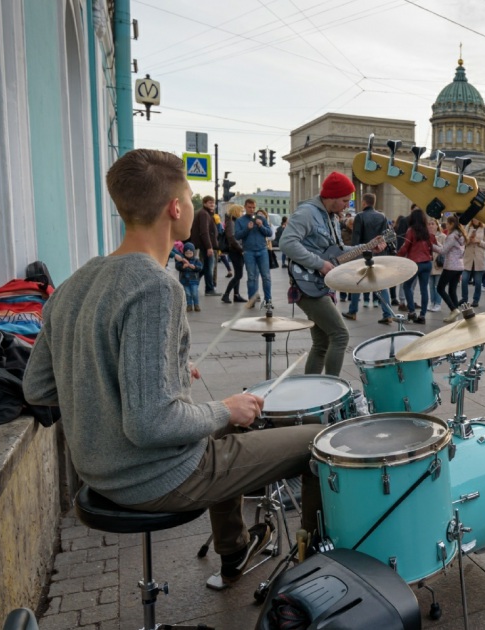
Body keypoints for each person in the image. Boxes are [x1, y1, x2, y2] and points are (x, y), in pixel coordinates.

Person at [22, 149, 325, 592]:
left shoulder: (76, 282)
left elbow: (38, 386)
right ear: (176, 208)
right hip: (151, 476)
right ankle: (316, 579)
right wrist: (224, 409)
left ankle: (233, 550)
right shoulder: (156, 287)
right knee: (316, 440)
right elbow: (150, 424)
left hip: (99, 469)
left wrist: (143, 367)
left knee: (233, 433)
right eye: (189, 192)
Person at [280, 172, 381, 375]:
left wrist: (367, 248)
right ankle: (331, 388)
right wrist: (320, 264)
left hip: (320, 284)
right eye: (344, 201)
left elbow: (339, 251)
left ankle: (313, 390)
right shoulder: (307, 213)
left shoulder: (332, 217)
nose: (347, 205)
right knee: (340, 335)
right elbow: (286, 242)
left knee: (322, 342)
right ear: (332, 196)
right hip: (307, 285)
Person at [345, 192, 394, 325]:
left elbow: (356, 238)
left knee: (358, 282)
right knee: (382, 284)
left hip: (364, 254)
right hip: (380, 254)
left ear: (364, 202)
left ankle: (353, 311)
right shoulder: (382, 216)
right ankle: (388, 313)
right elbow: (386, 236)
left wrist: (353, 254)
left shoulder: (360, 216)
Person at [397, 207, 437, 324]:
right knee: (424, 289)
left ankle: (412, 312)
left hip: (415, 263)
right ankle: (423, 315)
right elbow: (431, 245)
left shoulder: (411, 231)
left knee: (407, 286)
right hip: (427, 263)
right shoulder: (426, 231)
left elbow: (405, 247)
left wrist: (397, 256)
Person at [235, 198, 272, 308]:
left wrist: (261, 226)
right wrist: (247, 229)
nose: (252, 209)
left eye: (253, 207)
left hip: (262, 250)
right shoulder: (240, 220)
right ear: (245, 207)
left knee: (266, 276)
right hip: (249, 251)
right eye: (249, 207)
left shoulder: (261, 218)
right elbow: (237, 235)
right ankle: (251, 300)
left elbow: (269, 233)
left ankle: (268, 300)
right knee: (251, 277)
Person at [436, 215, 467, 323]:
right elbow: (447, 247)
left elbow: (443, 251)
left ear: (452, 224)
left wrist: (431, 246)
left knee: (440, 288)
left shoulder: (452, 236)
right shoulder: (460, 235)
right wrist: (437, 243)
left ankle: (453, 309)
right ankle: (455, 314)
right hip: (459, 266)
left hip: (451, 266)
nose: (446, 225)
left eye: (448, 223)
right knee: (452, 290)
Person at [188, 196, 220, 297]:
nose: (212, 204)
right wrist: (209, 247)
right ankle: (209, 289)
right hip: (205, 245)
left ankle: (192, 285)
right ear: (204, 203)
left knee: (204, 268)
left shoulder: (206, 213)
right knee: (208, 268)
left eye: (213, 203)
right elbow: (204, 232)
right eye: (210, 203)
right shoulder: (204, 214)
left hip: (204, 245)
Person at [220, 204, 246, 304]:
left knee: (238, 274)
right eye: (241, 211)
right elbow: (231, 237)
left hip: (237, 250)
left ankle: (236, 295)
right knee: (239, 275)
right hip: (235, 251)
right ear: (236, 211)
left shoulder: (234, 221)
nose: (242, 213)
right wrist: (241, 249)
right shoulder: (231, 222)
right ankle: (226, 294)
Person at [461, 217, 485, 308]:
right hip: (468, 258)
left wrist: (478, 241)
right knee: (464, 279)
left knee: (477, 281)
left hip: (479, 257)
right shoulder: (467, 228)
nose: (475, 220)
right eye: (474, 218)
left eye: (477, 218)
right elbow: (463, 243)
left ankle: (476, 300)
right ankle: (464, 299)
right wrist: (469, 239)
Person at [176, 242, 203, 312]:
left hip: (194, 280)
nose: (188, 255)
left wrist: (195, 267)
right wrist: (182, 267)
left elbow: (200, 267)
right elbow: (177, 266)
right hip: (184, 280)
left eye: (190, 253)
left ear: (193, 253)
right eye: (187, 253)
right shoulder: (182, 260)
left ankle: (196, 304)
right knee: (187, 293)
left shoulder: (196, 260)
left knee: (194, 293)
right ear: (184, 253)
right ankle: (189, 305)